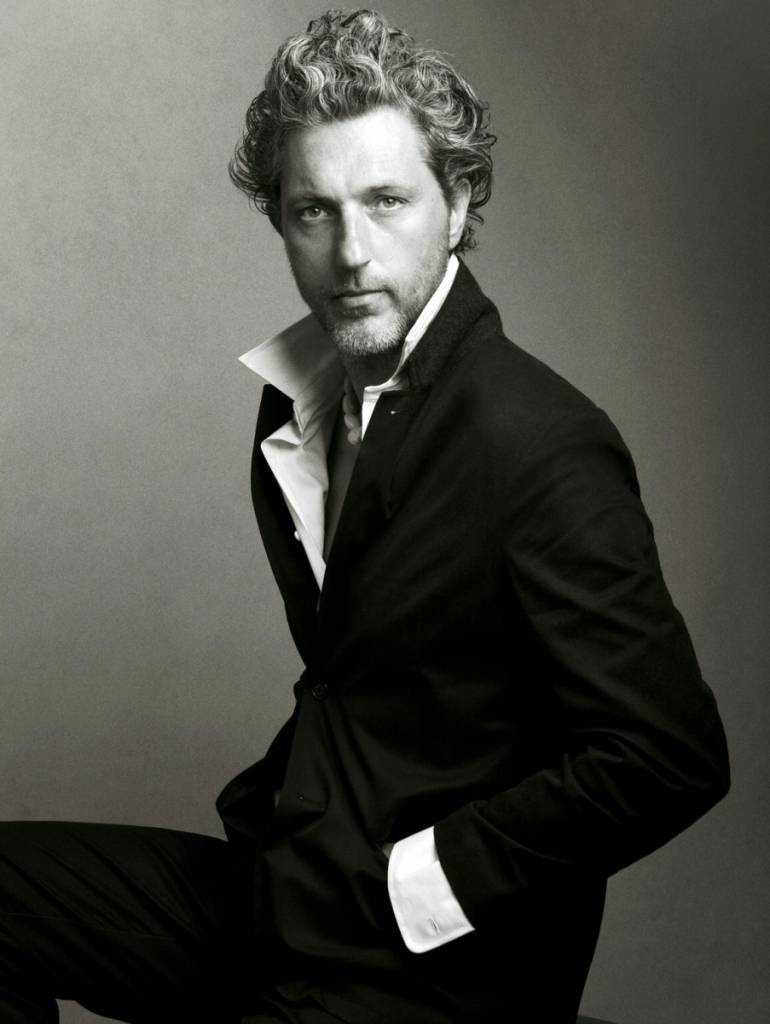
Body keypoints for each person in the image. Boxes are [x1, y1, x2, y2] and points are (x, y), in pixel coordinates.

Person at [0, 10, 729, 1024]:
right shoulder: (295, 403)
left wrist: (419, 884)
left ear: (455, 204)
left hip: (433, 967)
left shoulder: (537, 441)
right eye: (315, 210)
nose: (350, 252)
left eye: (386, 201)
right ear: (281, 221)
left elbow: (667, 754)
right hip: (294, 891)